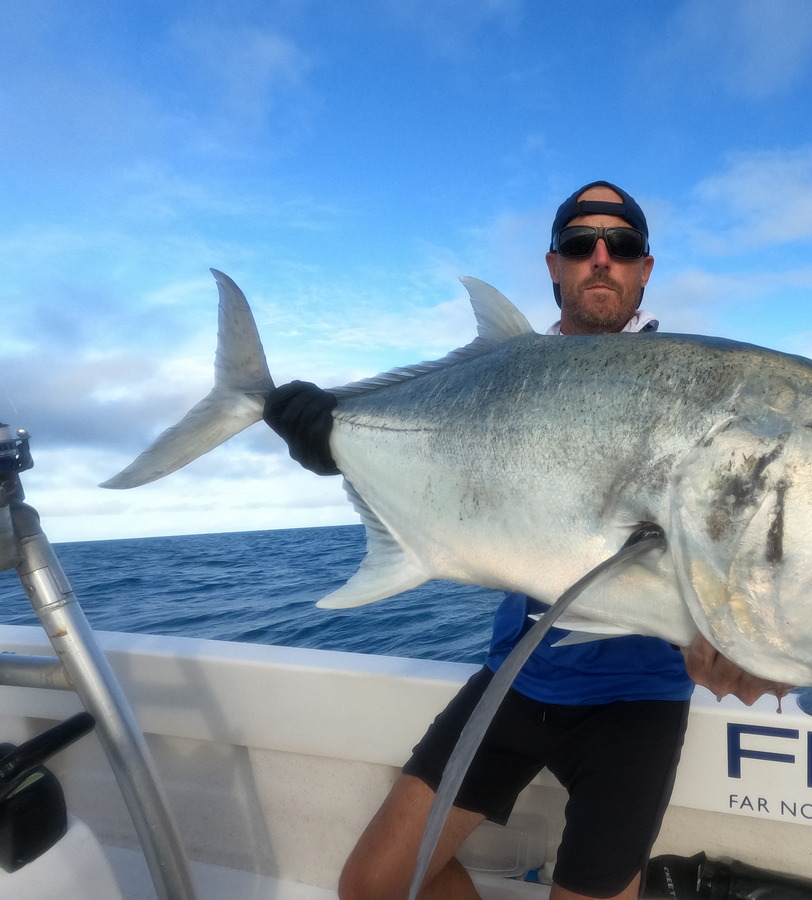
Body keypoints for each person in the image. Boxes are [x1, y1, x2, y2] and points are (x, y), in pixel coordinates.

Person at [264, 182, 785, 900]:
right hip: (515, 680)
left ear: (644, 269)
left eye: (622, 246)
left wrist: (745, 638)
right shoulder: (500, 377)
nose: (601, 259)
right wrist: (336, 436)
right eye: (580, 245)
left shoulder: (693, 396)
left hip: (635, 706)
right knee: (372, 885)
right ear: (553, 265)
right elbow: (433, 460)